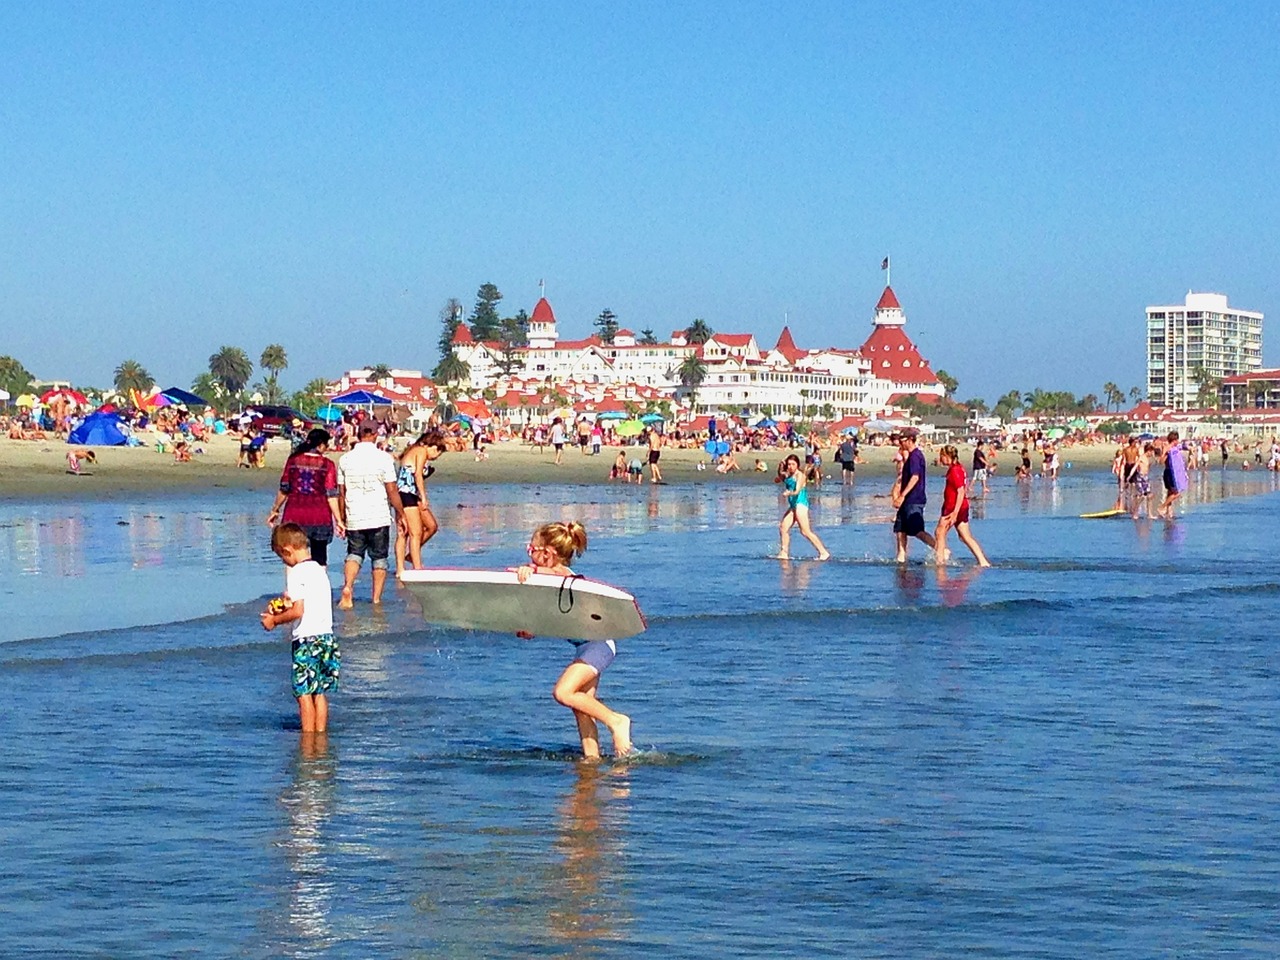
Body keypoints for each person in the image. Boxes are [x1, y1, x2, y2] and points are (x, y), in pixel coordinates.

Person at [515, 521, 632, 758]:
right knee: (582, 708)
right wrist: (530, 629)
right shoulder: (550, 581)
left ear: (548, 553)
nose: (529, 555)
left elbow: (553, 573)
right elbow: (552, 616)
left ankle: (616, 721)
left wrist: (529, 571)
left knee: (563, 693)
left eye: (531, 549)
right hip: (586, 646)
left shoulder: (561, 576)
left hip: (599, 644)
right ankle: (592, 760)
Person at [261, 523, 338, 734]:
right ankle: (320, 737)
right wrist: (283, 605)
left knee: (303, 693)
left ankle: (307, 739)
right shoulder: (319, 570)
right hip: (326, 638)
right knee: (319, 692)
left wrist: (274, 621)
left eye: (282, 557)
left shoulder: (296, 572)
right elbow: (307, 602)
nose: (284, 562)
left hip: (306, 639)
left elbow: (298, 611)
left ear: (287, 550)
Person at [337, 422, 409, 608]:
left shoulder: (345, 459)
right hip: (378, 515)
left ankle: (348, 587)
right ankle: (376, 599)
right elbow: (392, 490)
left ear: (358, 433)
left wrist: (342, 518)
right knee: (379, 558)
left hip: (355, 514)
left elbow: (341, 493)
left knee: (354, 553)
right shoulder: (384, 459)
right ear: (376, 434)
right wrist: (400, 514)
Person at [267, 428, 345, 568]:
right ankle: (319, 587)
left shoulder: (293, 460)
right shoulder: (327, 464)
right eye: (326, 445)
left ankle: (293, 588)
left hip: (294, 514)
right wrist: (339, 520)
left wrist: (275, 509)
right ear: (321, 445)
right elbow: (331, 494)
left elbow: (284, 489)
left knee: (292, 556)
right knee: (320, 557)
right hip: (320, 516)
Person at [394, 430, 446, 577]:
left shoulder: (414, 451)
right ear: (434, 447)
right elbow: (417, 475)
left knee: (431, 526)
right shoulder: (421, 451)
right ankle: (415, 569)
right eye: (438, 453)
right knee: (413, 533)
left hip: (410, 493)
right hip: (405, 493)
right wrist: (424, 497)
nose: (436, 457)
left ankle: (410, 556)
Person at [935, 446, 990, 567]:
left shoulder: (955, 471)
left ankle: (940, 561)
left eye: (942, 456)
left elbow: (961, 491)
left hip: (953, 507)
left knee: (940, 532)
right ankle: (983, 561)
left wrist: (955, 512)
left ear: (948, 457)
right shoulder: (957, 468)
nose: (940, 459)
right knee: (964, 536)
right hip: (960, 506)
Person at [891, 432, 937, 562]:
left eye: (903, 440)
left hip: (914, 499)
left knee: (917, 530)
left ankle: (940, 549)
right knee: (900, 529)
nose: (900, 443)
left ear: (910, 440)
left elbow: (915, 477)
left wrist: (902, 495)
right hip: (907, 499)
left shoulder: (916, 456)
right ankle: (901, 556)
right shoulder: (911, 456)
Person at [774, 454, 830, 560]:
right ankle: (784, 553)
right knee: (783, 527)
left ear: (797, 465)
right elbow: (777, 479)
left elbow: (797, 491)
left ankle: (823, 552)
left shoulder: (800, 475)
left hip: (801, 504)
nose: (790, 466)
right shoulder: (787, 475)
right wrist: (780, 468)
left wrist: (788, 493)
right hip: (793, 505)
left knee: (805, 531)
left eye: (793, 464)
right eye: (789, 464)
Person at [1158, 430, 1188, 519]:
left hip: (1173, 472)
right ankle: (1161, 507)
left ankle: (1169, 513)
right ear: (1174, 440)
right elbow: (1161, 461)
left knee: (1170, 493)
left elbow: (1184, 447)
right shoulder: (1168, 448)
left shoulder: (1176, 448)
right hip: (1170, 472)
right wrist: (1166, 454)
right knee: (1177, 493)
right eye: (1177, 439)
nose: (1178, 441)